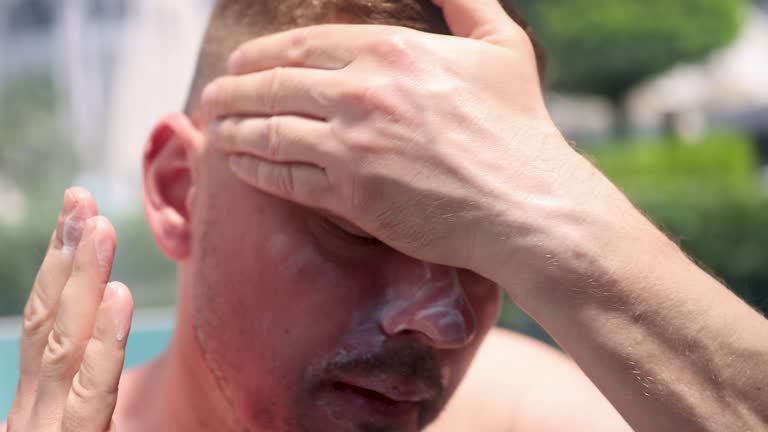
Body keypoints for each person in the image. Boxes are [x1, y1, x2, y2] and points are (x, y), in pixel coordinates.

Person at [5, 1, 768, 431]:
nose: (443, 321)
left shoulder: (518, 415)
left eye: (483, 240)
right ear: (182, 192)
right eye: (361, 225)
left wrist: (565, 223)